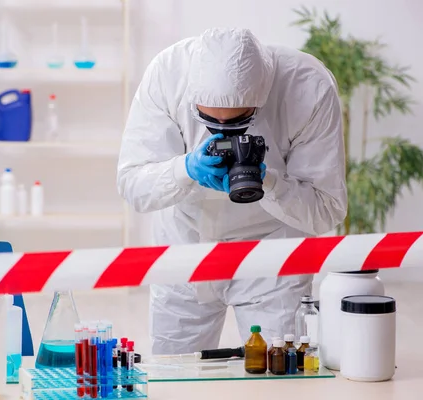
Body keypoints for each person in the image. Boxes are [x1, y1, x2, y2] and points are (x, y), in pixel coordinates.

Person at [116, 27, 347, 355]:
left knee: (277, 374)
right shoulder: (167, 75)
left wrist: (270, 183)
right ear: (193, 100)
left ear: (260, 100)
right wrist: (186, 169)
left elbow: (327, 210)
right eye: (210, 123)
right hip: (186, 242)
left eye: (238, 124)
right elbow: (133, 184)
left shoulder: (307, 85)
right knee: (175, 373)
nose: (224, 135)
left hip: (272, 253)